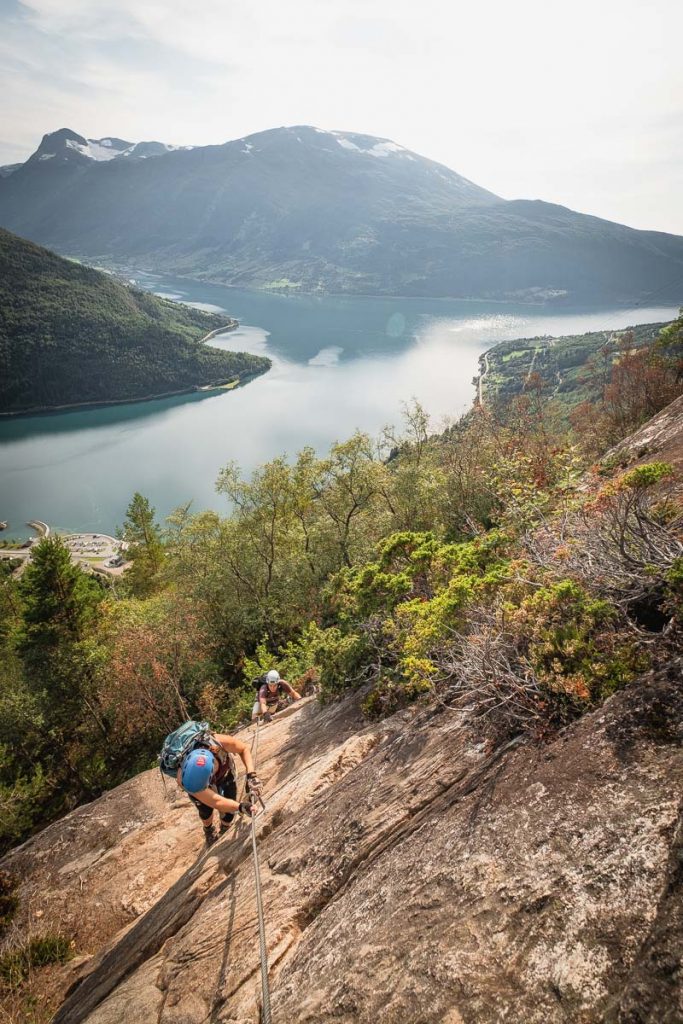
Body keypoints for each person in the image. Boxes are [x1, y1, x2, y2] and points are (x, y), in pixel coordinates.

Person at [178, 732, 263, 849]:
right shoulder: (187, 780)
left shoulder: (220, 742)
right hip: (201, 782)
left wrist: (251, 775)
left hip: (226, 774)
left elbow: (244, 749)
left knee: (229, 812)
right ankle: (208, 829)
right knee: (205, 811)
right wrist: (241, 807)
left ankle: (225, 826)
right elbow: (216, 802)